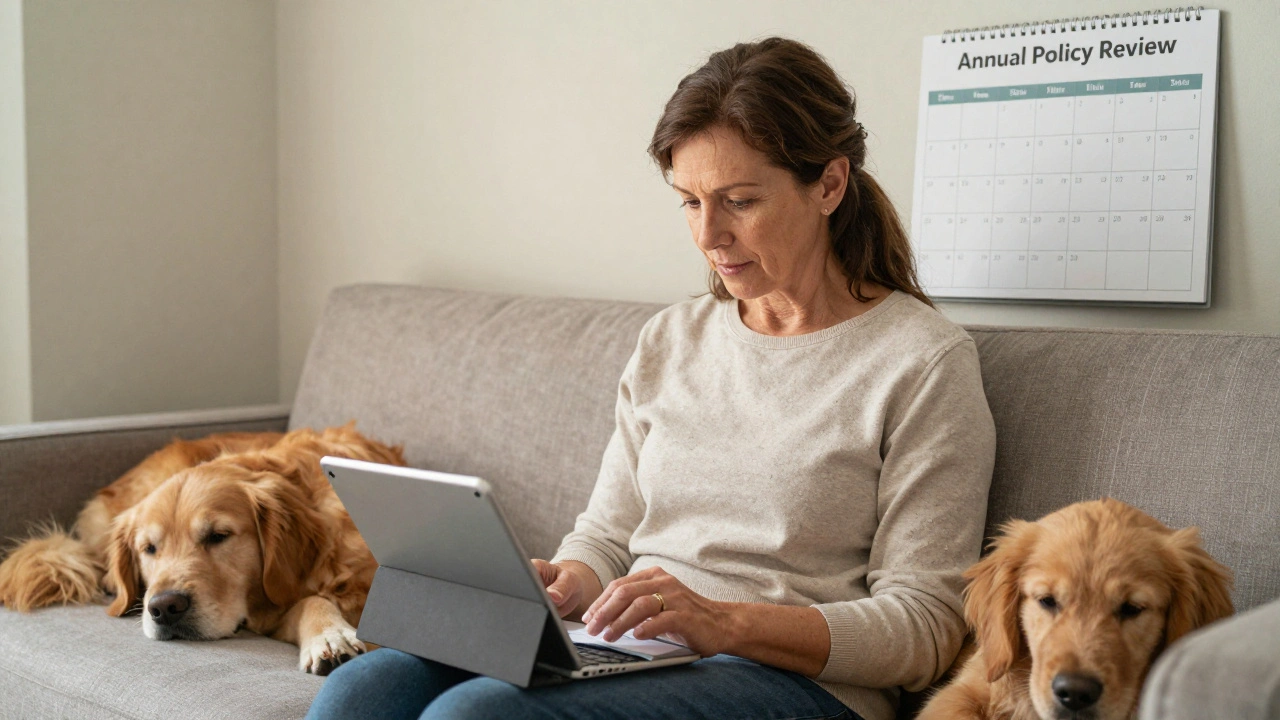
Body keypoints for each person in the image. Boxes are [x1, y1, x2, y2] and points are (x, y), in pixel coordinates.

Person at [306, 36, 996, 720]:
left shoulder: (921, 362)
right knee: (363, 691)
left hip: (794, 685)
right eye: (690, 202)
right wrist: (569, 584)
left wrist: (724, 623)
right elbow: (607, 534)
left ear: (830, 184)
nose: (708, 235)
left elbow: (925, 629)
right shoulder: (672, 339)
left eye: (740, 201)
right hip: (633, 649)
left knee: (477, 715)